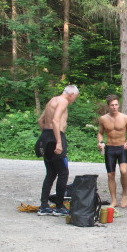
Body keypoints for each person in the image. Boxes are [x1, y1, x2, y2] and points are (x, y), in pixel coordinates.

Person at [37, 85, 79, 216]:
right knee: (63, 173)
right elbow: (55, 120)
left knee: (50, 173)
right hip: (56, 137)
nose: (74, 100)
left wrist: (46, 137)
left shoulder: (52, 100)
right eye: (75, 97)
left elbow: (40, 120)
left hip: (46, 135)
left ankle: (44, 206)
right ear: (71, 93)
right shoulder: (63, 101)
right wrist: (58, 142)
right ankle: (59, 207)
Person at [97, 95, 127, 208]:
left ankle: (124, 194)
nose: (114, 107)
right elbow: (100, 133)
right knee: (110, 174)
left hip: (121, 148)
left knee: (123, 171)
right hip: (109, 148)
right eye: (112, 105)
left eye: (116, 104)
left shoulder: (125, 117)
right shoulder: (103, 119)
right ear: (108, 106)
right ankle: (113, 200)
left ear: (119, 105)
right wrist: (100, 142)